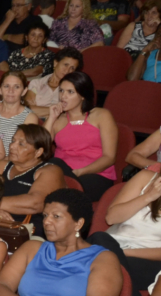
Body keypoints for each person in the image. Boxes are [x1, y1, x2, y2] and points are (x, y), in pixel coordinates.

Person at [89, 143, 161, 296]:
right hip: (110, 243)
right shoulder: (145, 179)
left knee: (104, 265)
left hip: (145, 260)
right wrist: (148, 197)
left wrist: (120, 252)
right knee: (98, 240)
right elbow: (111, 218)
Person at [49, 71, 119, 201]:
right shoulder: (58, 120)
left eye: (70, 92)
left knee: (64, 191)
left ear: (82, 95)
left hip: (95, 174)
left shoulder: (101, 115)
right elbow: (40, 147)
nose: (63, 96)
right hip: (61, 172)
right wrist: (51, 118)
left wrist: (79, 172)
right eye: (61, 91)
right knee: (53, 164)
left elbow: (109, 157)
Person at [0, 125, 66, 237]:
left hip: (29, 233)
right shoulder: (1, 166)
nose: (12, 146)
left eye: (21, 144)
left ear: (38, 152)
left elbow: (35, 203)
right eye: (13, 141)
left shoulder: (50, 170)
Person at [0, 70, 41, 150]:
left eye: (16, 87)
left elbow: (23, 150)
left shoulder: (29, 118)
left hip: (11, 160)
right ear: (0, 89)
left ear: (24, 91)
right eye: (6, 86)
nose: (11, 91)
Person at [27, 47, 83, 119]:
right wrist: (56, 110)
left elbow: (68, 114)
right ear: (55, 63)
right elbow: (28, 109)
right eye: (65, 64)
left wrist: (40, 110)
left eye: (72, 68)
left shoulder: (73, 90)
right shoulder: (36, 83)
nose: (67, 70)